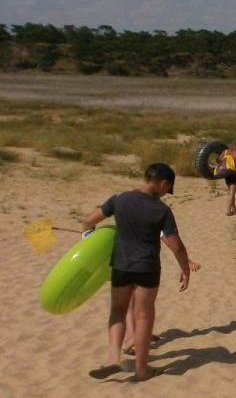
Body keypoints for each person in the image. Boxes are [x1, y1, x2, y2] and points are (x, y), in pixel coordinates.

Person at [82, 163, 192, 382]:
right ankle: (142, 369)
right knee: (144, 316)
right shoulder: (161, 210)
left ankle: (114, 359)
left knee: (117, 311)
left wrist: (90, 250)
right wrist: (185, 270)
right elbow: (175, 245)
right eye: (166, 189)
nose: (164, 194)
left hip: (121, 266)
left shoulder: (119, 199)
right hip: (147, 269)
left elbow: (87, 222)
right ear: (163, 183)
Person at [217, 139, 236, 216]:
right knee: (232, 193)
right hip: (235, 174)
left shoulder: (225, 152)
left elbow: (219, 160)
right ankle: (228, 210)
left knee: (231, 192)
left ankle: (233, 208)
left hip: (226, 174)